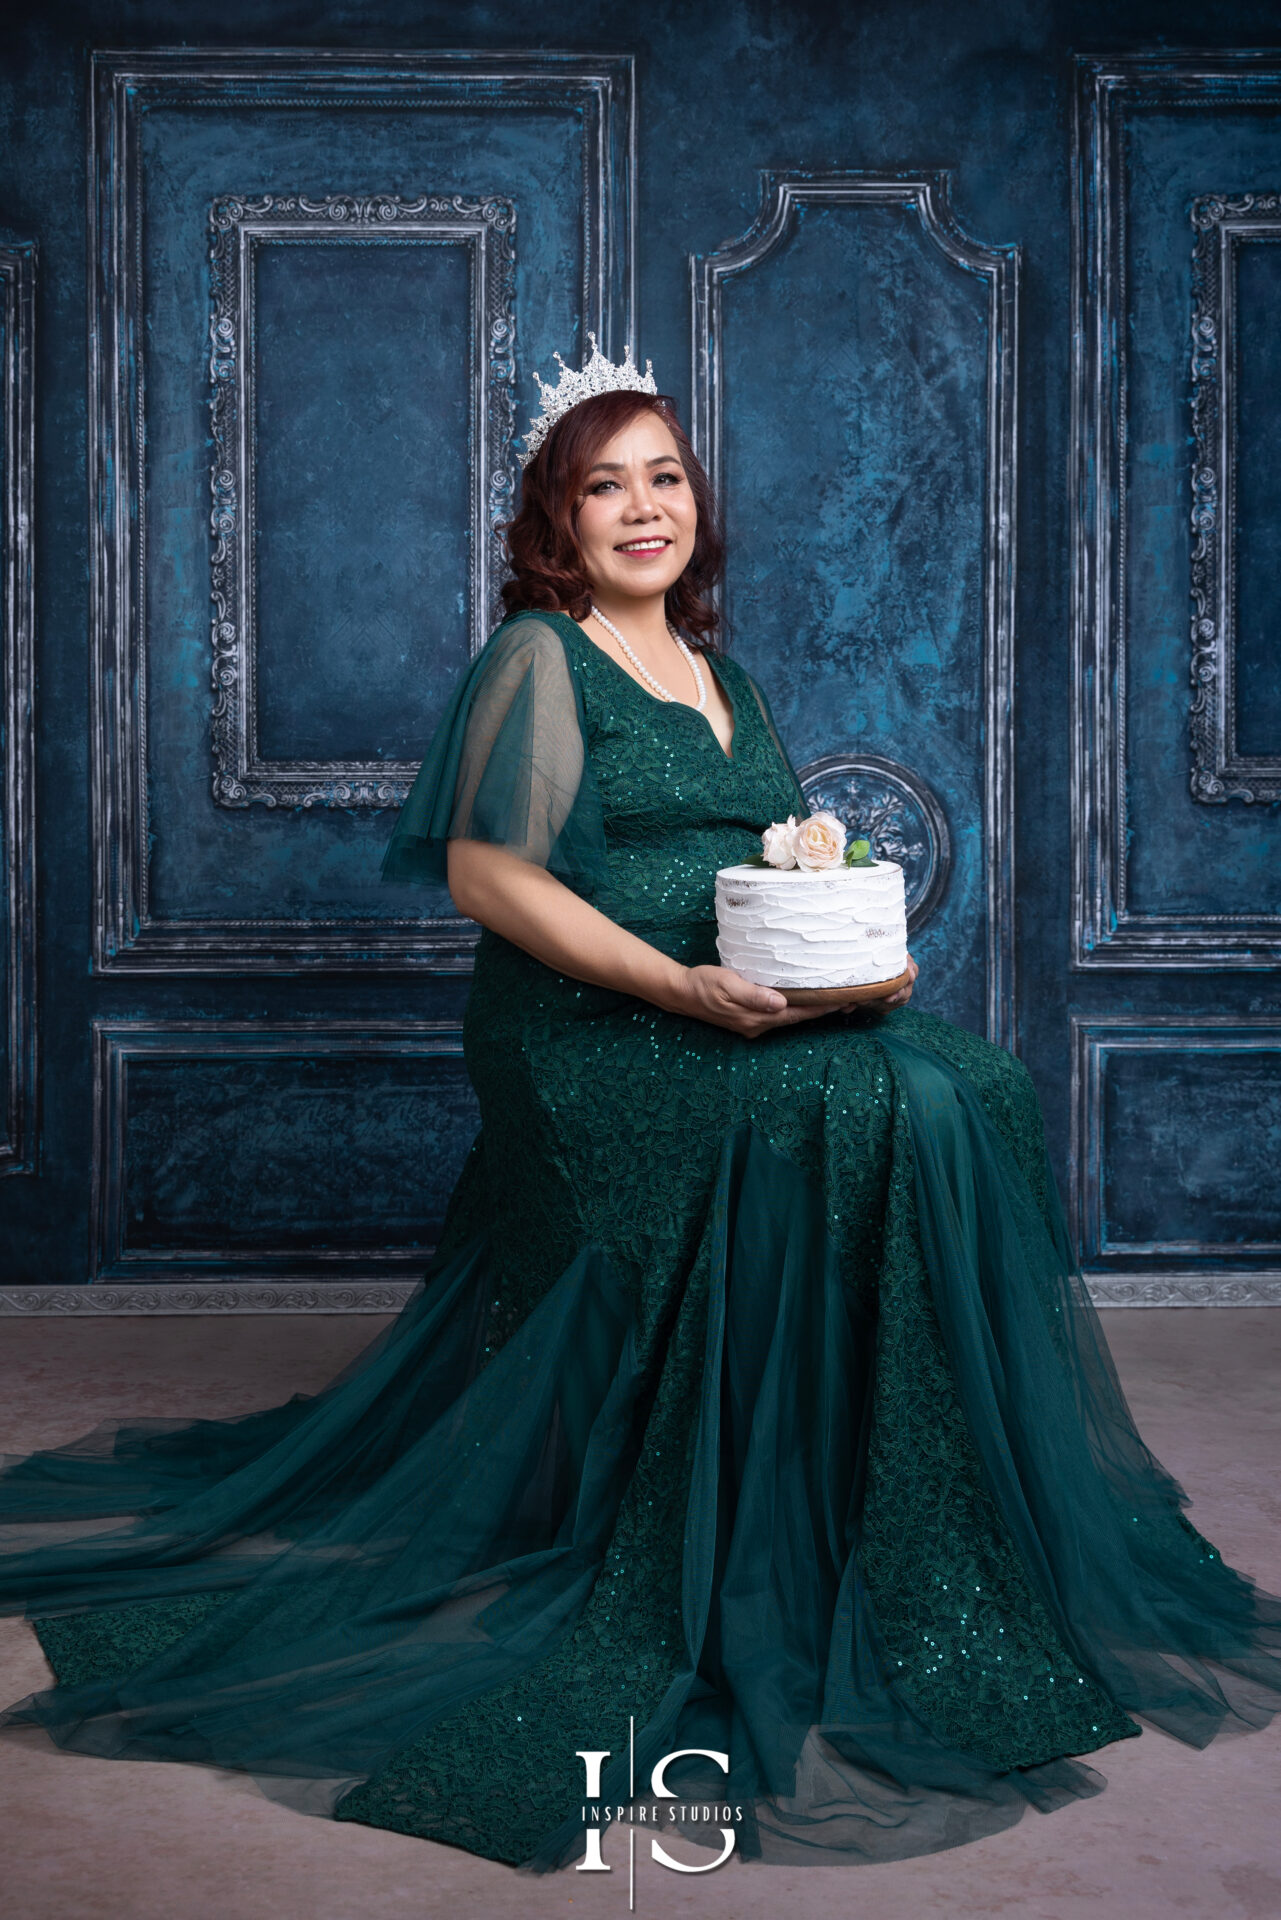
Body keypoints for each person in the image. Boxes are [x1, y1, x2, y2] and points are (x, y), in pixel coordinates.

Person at [2, 342, 1280, 1878]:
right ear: (558, 519)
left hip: (731, 1009)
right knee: (845, 1114)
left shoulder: (724, 676)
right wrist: (677, 996)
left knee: (967, 1085)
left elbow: (784, 870)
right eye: (601, 484)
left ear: (695, 502)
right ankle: (748, 1516)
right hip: (584, 1034)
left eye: (661, 476)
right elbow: (492, 877)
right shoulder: (537, 658)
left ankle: (904, 1518)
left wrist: (857, 967)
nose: (639, 507)